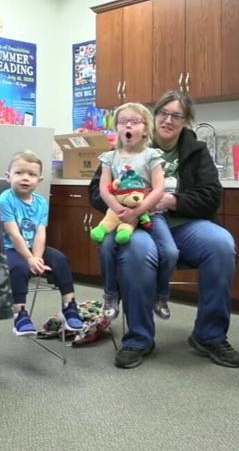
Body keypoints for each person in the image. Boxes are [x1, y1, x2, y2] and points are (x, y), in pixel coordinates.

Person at [89, 90, 239, 370]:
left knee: (221, 244)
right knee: (136, 251)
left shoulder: (196, 151)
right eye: (163, 113)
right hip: (137, 225)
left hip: (183, 223)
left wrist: (171, 200)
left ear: (186, 122)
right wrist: (124, 207)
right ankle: (138, 338)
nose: (168, 120)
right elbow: (96, 193)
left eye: (177, 115)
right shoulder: (125, 145)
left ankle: (209, 336)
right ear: (151, 117)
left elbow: (211, 196)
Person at [91, 102, 171, 321]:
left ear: (145, 128)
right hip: (118, 214)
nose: (129, 126)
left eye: (135, 122)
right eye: (123, 122)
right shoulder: (110, 157)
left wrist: (138, 212)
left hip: (149, 214)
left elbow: (159, 189)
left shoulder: (152, 155)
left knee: (170, 252)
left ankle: (161, 295)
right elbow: (103, 188)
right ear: (117, 128)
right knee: (106, 247)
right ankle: (110, 294)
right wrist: (117, 207)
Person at [0, 150, 84, 336]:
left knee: (60, 259)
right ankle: (19, 314)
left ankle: (69, 306)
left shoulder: (41, 203)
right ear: (8, 177)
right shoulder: (4, 200)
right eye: (19, 173)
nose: (25, 178)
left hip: (33, 248)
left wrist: (37, 257)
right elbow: (14, 235)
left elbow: (40, 232)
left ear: (39, 180)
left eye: (31, 174)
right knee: (19, 267)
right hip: (8, 248)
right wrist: (30, 259)